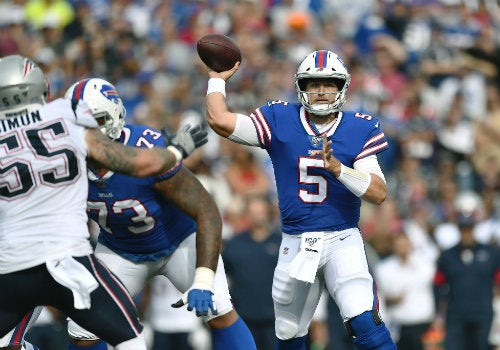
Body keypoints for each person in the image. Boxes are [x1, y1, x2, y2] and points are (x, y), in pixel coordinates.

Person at [0, 54, 207, 350]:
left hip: (12, 265)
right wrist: (174, 152)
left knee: (9, 342)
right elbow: (133, 163)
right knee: (131, 337)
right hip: (66, 261)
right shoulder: (64, 114)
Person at [203, 49, 397, 350]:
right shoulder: (280, 118)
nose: (321, 91)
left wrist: (340, 170)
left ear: (342, 86)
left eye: (329, 83)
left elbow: (378, 192)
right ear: (301, 87)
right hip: (296, 242)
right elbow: (220, 120)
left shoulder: (359, 127)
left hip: (342, 238)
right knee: (290, 334)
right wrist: (216, 80)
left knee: (364, 322)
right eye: (313, 84)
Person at [63, 78, 257, 350]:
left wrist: (203, 278)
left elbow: (207, 210)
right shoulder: (64, 162)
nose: (89, 132)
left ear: (116, 116)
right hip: (120, 250)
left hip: (178, 242)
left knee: (219, 309)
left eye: (97, 120)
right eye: (81, 124)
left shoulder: (145, 147)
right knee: (83, 328)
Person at [434, 208, 500, 350]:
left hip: (483, 315)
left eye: (469, 228)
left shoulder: (491, 253)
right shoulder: (448, 256)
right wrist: (438, 312)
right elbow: (437, 284)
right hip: (456, 315)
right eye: (463, 229)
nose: (466, 233)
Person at [222, 193, 282, 350]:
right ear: (247, 214)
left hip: (276, 319)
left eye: (260, 211)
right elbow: (222, 274)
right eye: (253, 212)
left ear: (269, 212)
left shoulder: (282, 242)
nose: (257, 216)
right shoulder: (235, 243)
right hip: (244, 318)